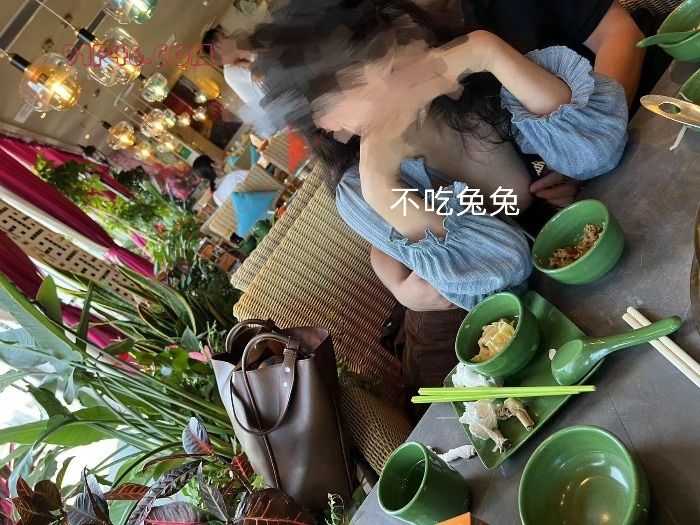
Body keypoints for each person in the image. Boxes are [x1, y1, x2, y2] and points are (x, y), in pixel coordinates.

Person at [244, 0, 630, 414]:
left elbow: (600, 150)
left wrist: (488, 51)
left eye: (374, 48)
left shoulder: (473, 78)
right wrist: (380, 187)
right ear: (324, 121)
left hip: (566, 290)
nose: (381, 72)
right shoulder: (363, 191)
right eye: (344, 79)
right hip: (458, 331)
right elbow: (503, 274)